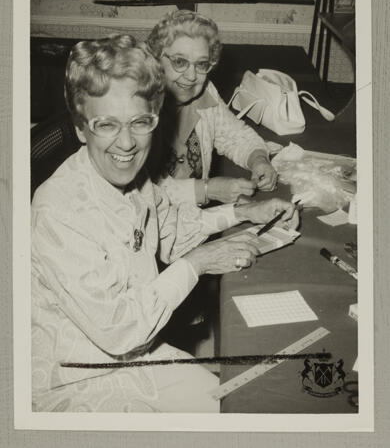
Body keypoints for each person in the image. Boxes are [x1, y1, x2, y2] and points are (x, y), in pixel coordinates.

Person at [31, 35, 298, 413]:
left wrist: (240, 213)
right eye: (106, 124)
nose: (126, 143)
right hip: (73, 373)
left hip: (133, 352)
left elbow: (170, 233)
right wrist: (199, 263)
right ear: (79, 128)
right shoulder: (58, 212)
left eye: (140, 122)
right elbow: (119, 330)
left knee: (234, 404)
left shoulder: (135, 179)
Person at [146, 9, 278, 207]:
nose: (191, 76)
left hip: (197, 222)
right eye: (179, 62)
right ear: (156, 60)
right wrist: (207, 190)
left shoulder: (205, 92)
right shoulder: (139, 107)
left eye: (201, 64)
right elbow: (138, 190)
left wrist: (259, 160)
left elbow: (235, 136)